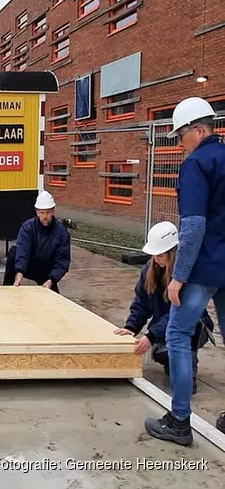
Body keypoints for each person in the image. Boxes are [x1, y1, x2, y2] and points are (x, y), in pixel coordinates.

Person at [144, 97, 225, 446]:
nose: (180, 144)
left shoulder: (197, 165)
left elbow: (192, 228)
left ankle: (179, 421)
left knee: (177, 335)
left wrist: (178, 277)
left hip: (204, 267)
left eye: (182, 135)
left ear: (200, 130)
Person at [114, 221, 214, 393]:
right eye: (155, 255)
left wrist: (152, 336)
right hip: (165, 324)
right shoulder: (148, 271)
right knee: (161, 352)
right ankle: (173, 361)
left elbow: (179, 314)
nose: (157, 259)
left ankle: (188, 370)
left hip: (194, 325)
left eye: (161, 255)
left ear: (173, 252)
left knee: (181, 338)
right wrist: (131, 327)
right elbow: (141, 302)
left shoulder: (187, 275)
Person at [3, 190, 71, 293]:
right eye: (41, 213)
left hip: (46, 270)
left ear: (53, 211)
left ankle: (49, 285)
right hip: (29, 266)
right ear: (37, 212)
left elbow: (62, 261)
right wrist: (19, 272)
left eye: (47, 212)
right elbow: (23, 251)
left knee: (53, 300)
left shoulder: (61, 233)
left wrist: (52, 280)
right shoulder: (28, 227)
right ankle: (7, 289)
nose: (44, 216)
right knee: (14, 252)